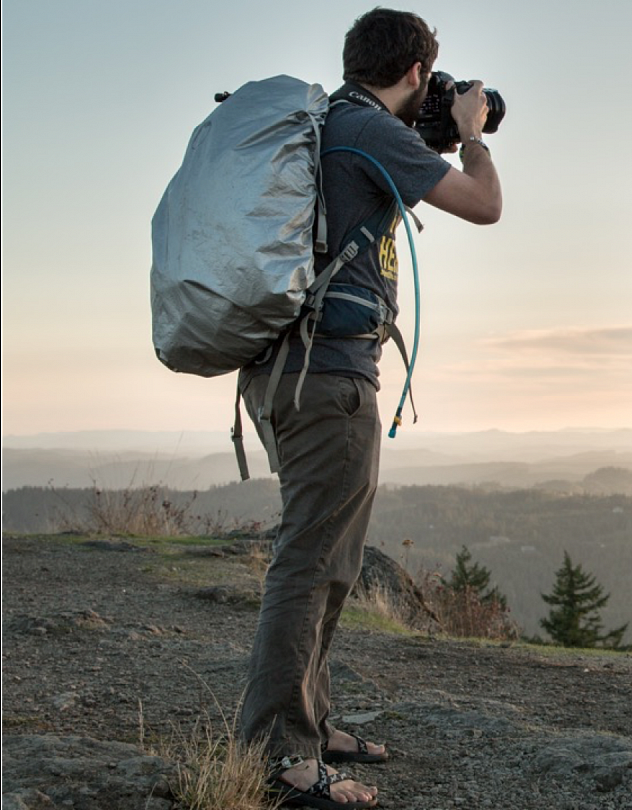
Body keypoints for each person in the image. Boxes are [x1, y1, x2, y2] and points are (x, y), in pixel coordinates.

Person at [238, 9, 502, 808]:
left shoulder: (337, 127)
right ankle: (283, 755)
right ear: (419, 72)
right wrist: (474, 132)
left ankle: (309, 720)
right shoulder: (365, 127)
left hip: (298, 372)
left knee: (333, 562)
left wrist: (430, 137)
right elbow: (485, 205)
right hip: (328, 376)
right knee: (312, 561)